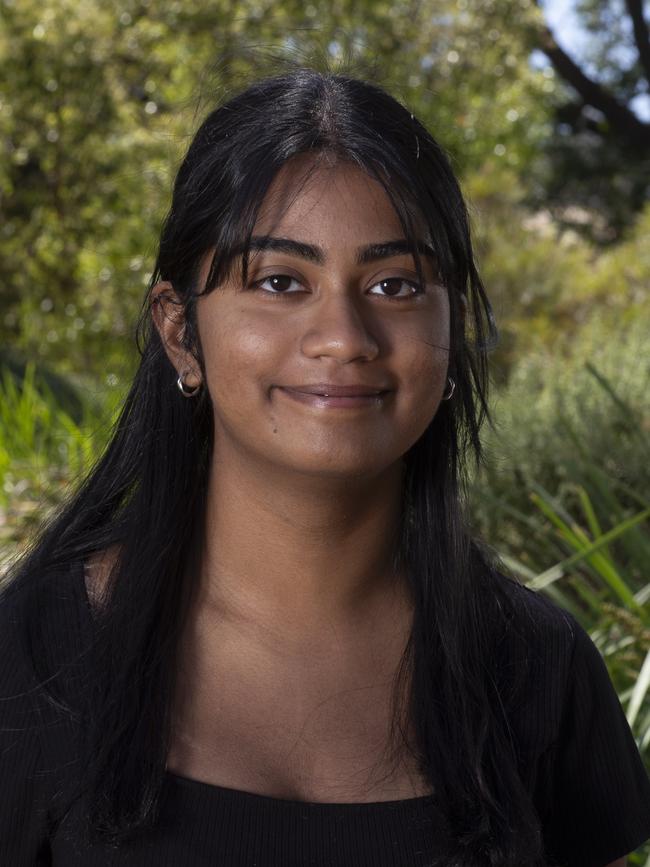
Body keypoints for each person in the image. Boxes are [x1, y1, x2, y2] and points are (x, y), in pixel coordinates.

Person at [1, 68, 648, 867]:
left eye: (394, 283)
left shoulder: (542, 668)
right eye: (280, 281)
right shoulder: (33, 653)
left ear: (451, 333)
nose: (343, 335)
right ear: (179, 331)